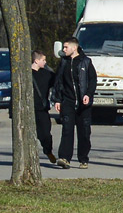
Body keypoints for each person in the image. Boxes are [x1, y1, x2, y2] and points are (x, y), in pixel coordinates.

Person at [52, 37, 97, 169]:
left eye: (66, 47)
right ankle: (64, 158)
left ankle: (83, 159)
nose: (64, 50)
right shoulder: (64, 62)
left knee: (84, 132)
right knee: (67, 129)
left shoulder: (86, 62)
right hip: (68, 101)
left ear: (74, 47)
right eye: (63, 47)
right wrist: (58, 99)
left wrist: (88, 95)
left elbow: (92, 80)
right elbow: (58, 82)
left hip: (84, 103)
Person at [31, 50, 56, 165]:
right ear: (36, 61)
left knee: (46, 133)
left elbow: (58, 82)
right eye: (43, 60)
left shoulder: (47, 74)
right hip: (30, 110)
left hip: (42, 109)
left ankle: (48, 151)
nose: (45, 62)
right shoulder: (26, 75)